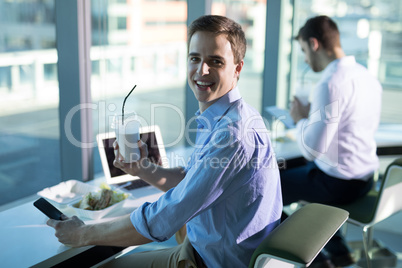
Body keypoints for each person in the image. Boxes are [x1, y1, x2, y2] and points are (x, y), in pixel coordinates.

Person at [47, 15, 282, 268]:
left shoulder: (231, 135)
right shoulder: (235, 116)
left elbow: (163, 220)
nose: (202, 70)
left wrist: (82, 234)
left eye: (215, 61)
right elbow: (191, 183)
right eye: (195, 58)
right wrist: (142, 169)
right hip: (219, 247)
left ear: (237, 68)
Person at [281, 15, 382, 267]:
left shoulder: (330, 82)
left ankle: (316, 261)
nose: (305, 58)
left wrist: (297, 119)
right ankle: (339, 252)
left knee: (265, 188)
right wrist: (311, 117)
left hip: (339, 184)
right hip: (366, 177)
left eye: (304, 50)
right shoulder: (365, 75)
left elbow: (312, 151)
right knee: (292, 171)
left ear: (314, 44)